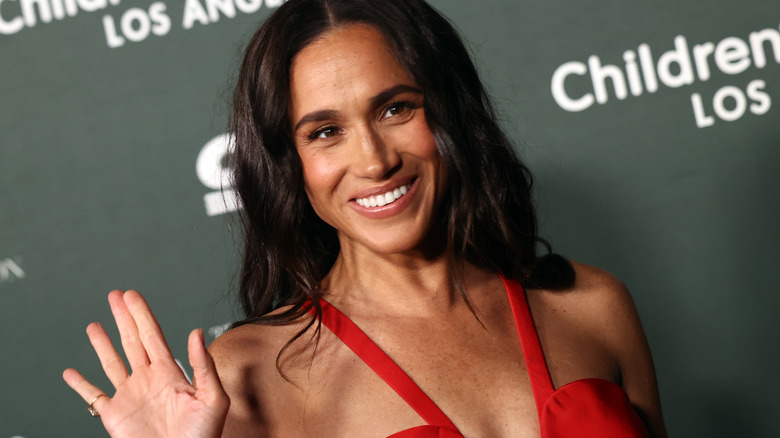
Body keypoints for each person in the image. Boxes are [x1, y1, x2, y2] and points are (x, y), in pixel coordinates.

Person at [63, 0, 667, 436]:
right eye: (325, 132)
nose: (375, 161)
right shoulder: (245, 376)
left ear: (450, 114)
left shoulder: (595, 306)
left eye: (396, 108)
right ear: (289, 165)